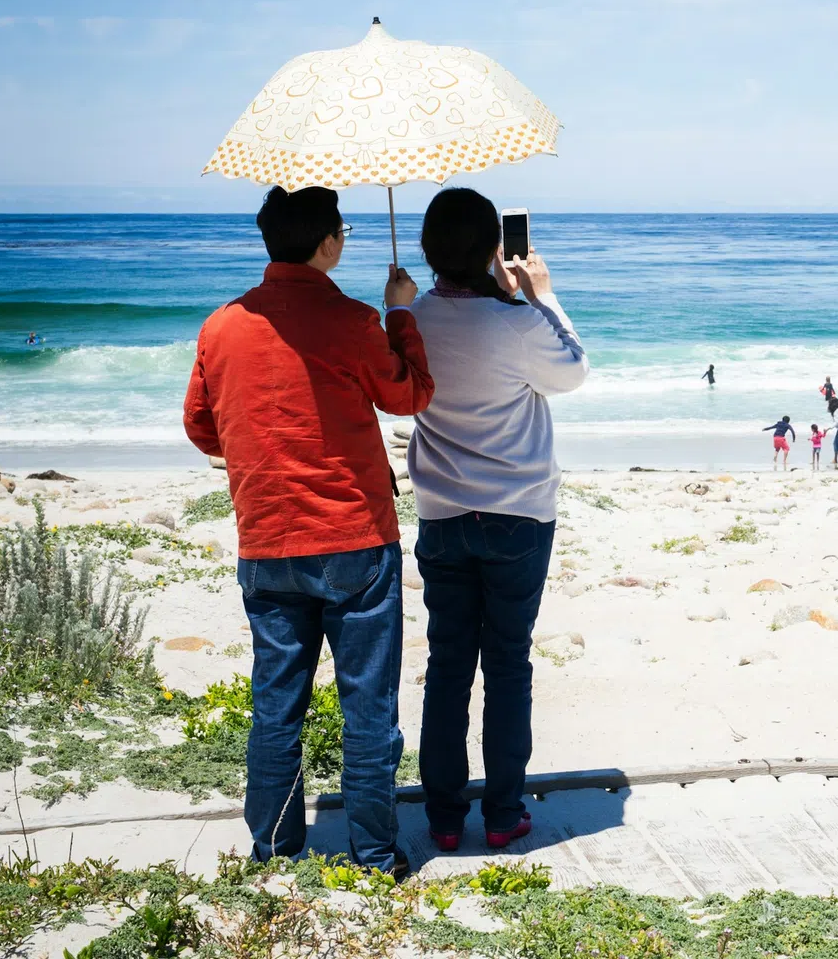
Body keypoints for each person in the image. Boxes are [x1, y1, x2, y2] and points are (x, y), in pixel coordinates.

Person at [183, 187, 432, 876]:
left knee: (276, 706)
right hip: (353, 534)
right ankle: (375, 854)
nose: (345, 240)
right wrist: (401, 313)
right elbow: (409, 394)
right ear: (328, 243)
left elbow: (202, 427)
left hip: (267, 540)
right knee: (368, 709)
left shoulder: (220, 326)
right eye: (342, 231)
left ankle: (274, 847)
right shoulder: (353, 320)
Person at [405, 188, 587, 854]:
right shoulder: (515, 320)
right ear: (492, 250)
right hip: (518, 513)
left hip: (443, 514)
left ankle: (446, 818)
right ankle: (504, 812)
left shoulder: (413, 319)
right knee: (507, 662)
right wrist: (541, 292)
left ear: (427, 251)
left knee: (449, 665)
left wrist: (400, 305)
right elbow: (574, 371)